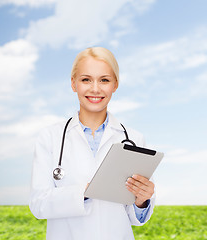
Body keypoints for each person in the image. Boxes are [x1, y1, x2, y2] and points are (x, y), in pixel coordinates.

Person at [29, 47, 155, 240]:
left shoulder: (134, 139)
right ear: (73, 83)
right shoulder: (50, 137)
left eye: (104, 80)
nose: (95, 88)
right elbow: (39, 204)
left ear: (115, 85)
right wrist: (85, 192)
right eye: (86, 79)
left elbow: (133, 216)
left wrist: (142, 200)